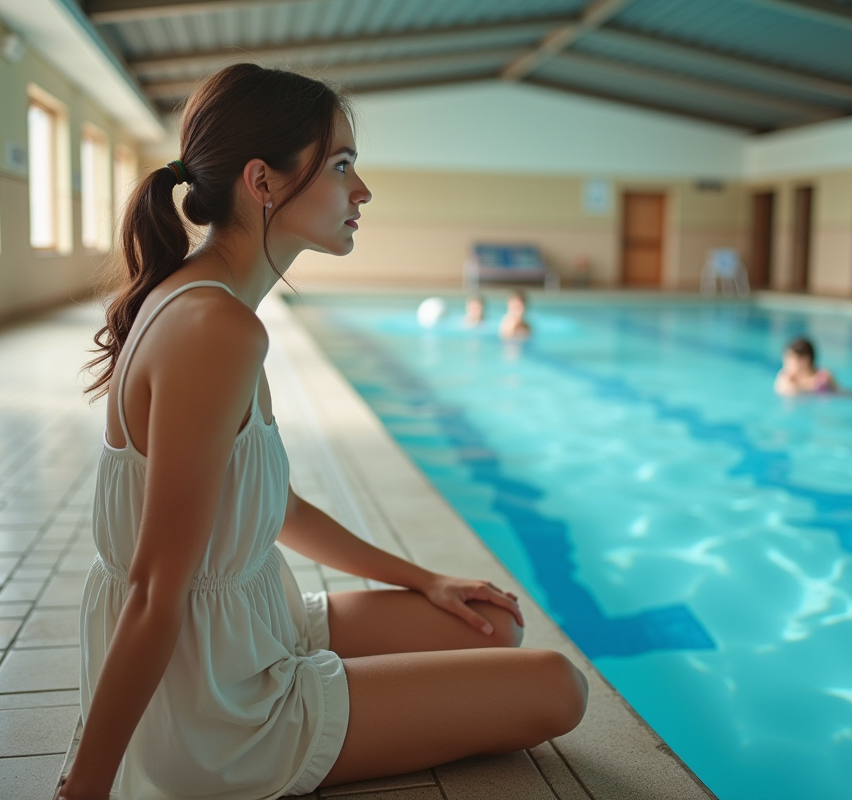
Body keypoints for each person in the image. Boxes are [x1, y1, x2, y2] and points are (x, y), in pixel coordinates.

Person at [61, 64, 586, 800]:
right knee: (559, 686)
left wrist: (425, 580)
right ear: (262, 181)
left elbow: (272, 505)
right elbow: (154, 588)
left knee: (491, 626)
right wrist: (86, 785)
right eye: (341, 166)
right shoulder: (216, 329)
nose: (361, 190)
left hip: (247, 629)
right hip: (218, 706)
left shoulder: (209, 303)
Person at [774, 337, 838, 396]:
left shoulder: (823, 375)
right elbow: (782, 390)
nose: (786, 362)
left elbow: (838, 393)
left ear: (804, 360)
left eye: (790, 359)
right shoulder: (787, 376)